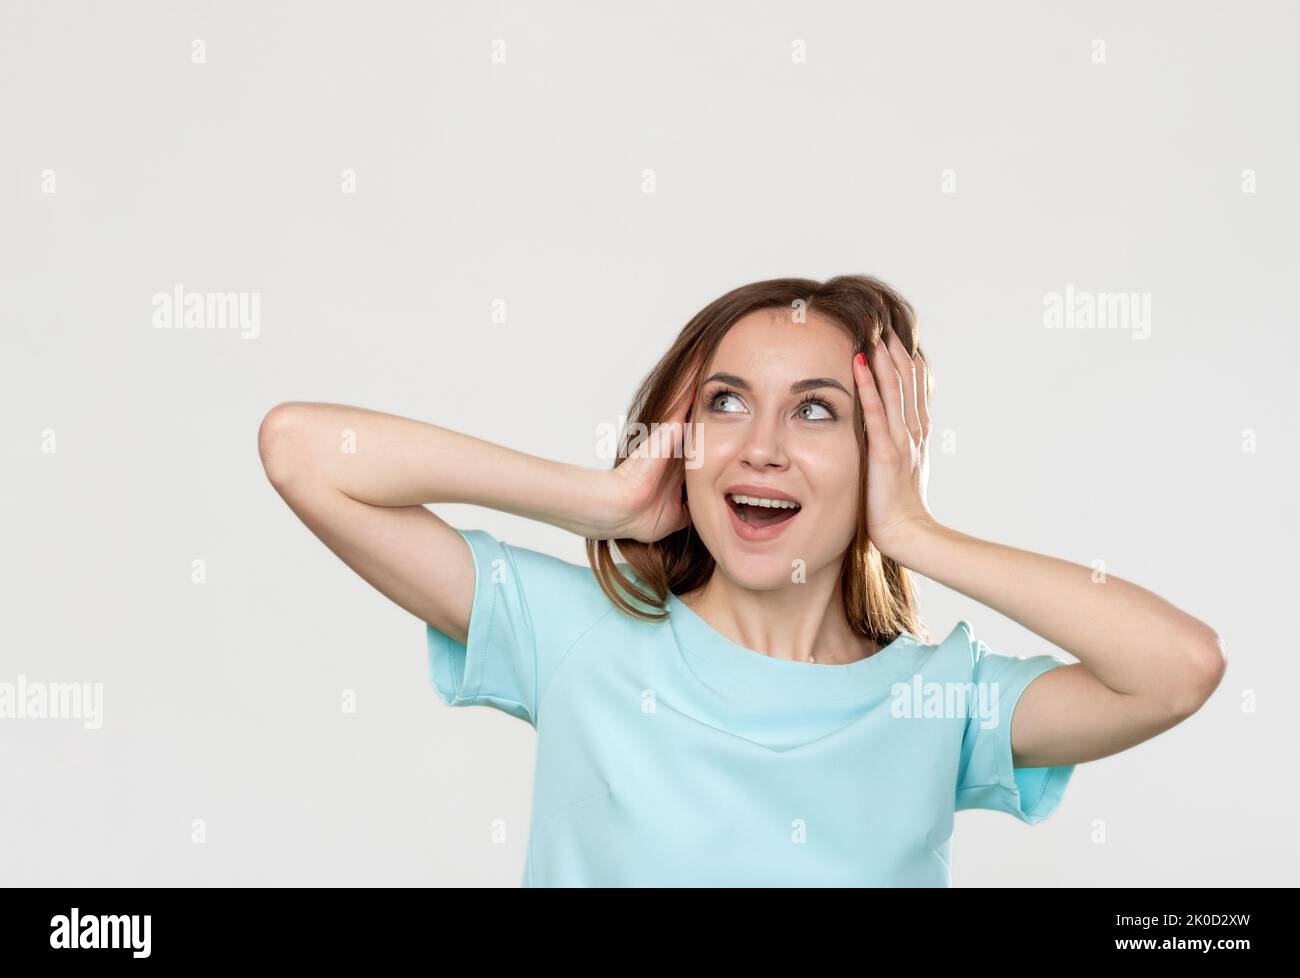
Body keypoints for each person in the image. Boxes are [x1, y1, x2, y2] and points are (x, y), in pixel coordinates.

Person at [257, 273, 1226, 886]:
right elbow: (304, 451)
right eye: (727, 404)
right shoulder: (581, 638)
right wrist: (606, 502)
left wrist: (915, 532)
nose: (759, 448)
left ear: (879, 452)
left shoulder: (943, 702)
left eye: (814, 412)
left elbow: (1176, 666)